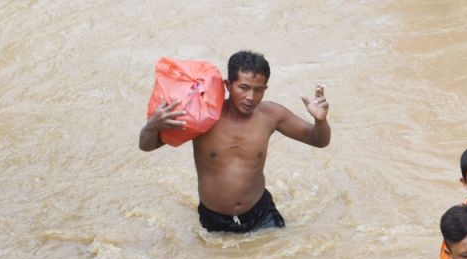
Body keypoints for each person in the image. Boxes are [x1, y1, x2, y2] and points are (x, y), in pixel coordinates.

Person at [138, 50, 330, 233]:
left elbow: (318, 140)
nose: (250, 97)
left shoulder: (271, 115)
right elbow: (147, 146)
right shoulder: (202, 115)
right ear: (228, 85)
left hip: (261, 214)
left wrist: (321, 121)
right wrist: (152, 126)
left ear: (265, 89)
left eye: (258, 90)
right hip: (214, 219)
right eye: (243, 88)